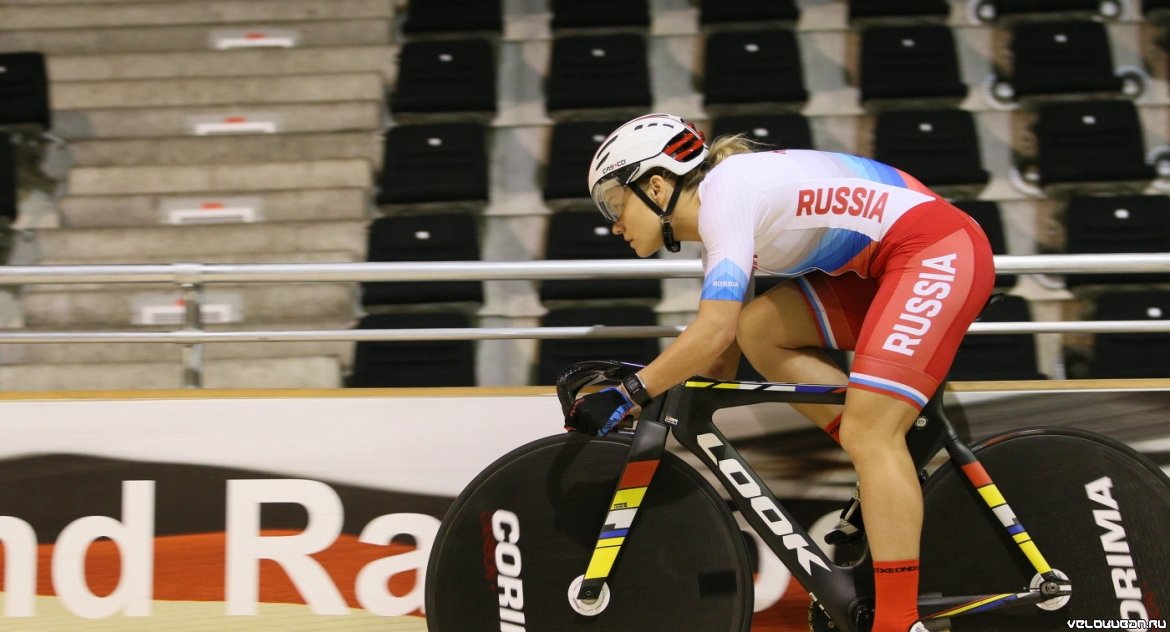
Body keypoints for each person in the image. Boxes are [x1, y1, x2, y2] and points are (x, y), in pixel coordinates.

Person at [564, 113, 994, 632]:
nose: (613, 224)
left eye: (616, 204)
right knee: (762, 329)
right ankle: (880, 456)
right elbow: (720, 358)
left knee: (870, 431)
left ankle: (898, 622)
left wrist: (630, 392)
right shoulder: (724, 214)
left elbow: (712, 331)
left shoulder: (726, 197)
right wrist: (652, 383)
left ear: (656, 184)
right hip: (893, 263)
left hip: (936, 252)